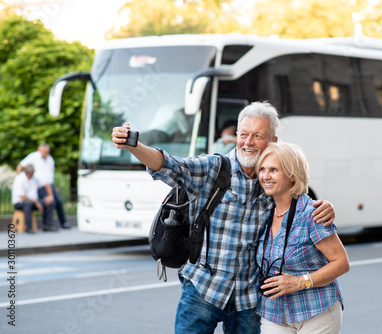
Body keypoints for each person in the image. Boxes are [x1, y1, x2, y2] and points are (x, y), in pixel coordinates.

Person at [111, 101, 335, 334]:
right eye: (244, 134)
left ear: (273, 142)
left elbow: (299, 201)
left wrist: (326, 206)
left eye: (258, 136)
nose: (248, 142)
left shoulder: (271, 179)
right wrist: (134, 145)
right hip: (203, 289)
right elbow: (169, 165)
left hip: (248, 298)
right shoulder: (213, 168)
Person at [256, 142, 350, 333]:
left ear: (292, 175)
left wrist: (300, 282)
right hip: (274, 312)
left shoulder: (312, 214)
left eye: (273, 170)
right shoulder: (262, 211)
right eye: (263, 169)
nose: (265, 176)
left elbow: (342, 262)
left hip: (316, 310)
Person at [17, 143, 70, 229]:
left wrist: (53, 187)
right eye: (44, 151)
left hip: (49, 185)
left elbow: (50, 175)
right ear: (39, 150)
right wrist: (19, 180)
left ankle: (63, 223)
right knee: (49, 202)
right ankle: (48, 225)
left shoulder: (50, 159)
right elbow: (20, 165)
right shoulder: (33, 156)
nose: (46, 153)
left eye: (47, 151)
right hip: (40, 186)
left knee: (58, 201)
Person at [12, 164, 57, 233]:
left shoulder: (34, 178)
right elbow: (22, 197)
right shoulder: (19, 179)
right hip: (20, 203)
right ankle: (28, 227)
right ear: (27, 172)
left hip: (33, 202)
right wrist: (36, 203)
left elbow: (46, 183)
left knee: (50, 202)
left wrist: (50, 196)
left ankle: (48, 226)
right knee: (28, 203)